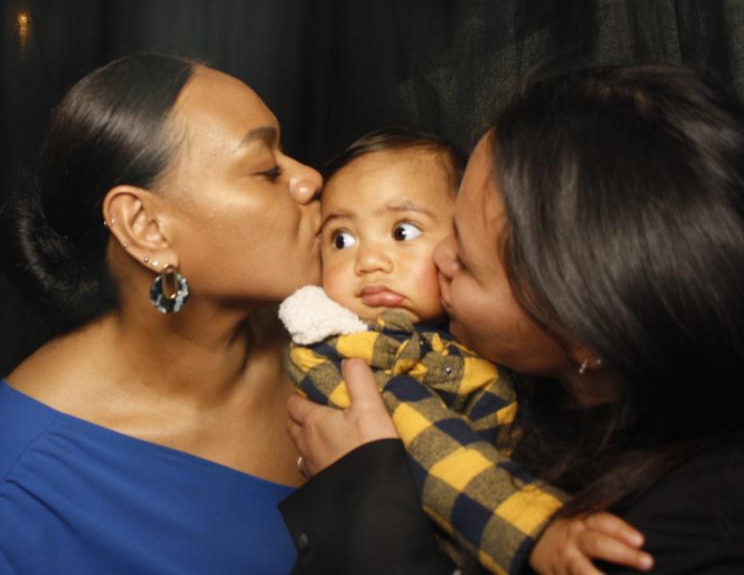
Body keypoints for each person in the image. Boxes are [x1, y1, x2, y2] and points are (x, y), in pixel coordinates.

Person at [281, 64, 744, 574]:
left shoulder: (676, 535)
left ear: (586, 336)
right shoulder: (363, 350)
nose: (440, 259)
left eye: (466, 261)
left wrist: (367, 493)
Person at [0, 53, 326, 574]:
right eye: (267, 169)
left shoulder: (333, 332)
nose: (311, 179)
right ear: (146, 228)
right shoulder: (12, 509)